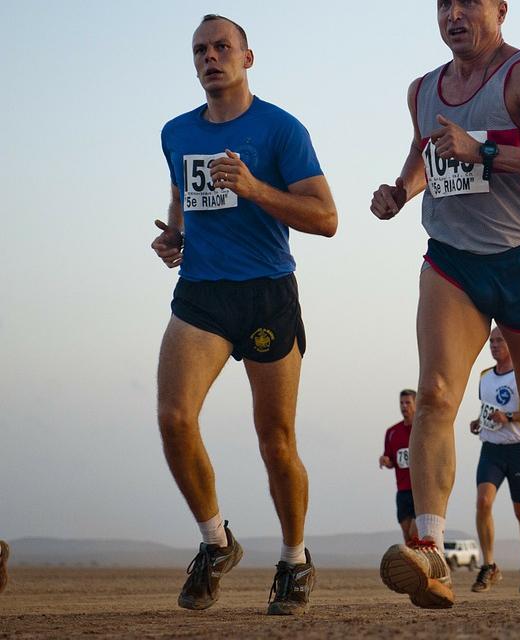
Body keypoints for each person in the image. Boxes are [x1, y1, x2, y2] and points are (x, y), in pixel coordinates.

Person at [370, 0, 520, 609]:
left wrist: (487, 151)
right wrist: (400, 190)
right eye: (443, 3)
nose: (454, 12)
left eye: (469, 1)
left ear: (501, 9)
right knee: (437, 395)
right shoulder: (422, 89)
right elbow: (428, 153)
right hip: (453, 260)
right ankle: (429, 549)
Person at [153, 14, 338, 616]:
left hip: (266, 293)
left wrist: (256, 189)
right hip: (202, 294)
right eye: (201, 50)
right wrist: (175, 235)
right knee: (175, 418)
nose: (212, 58)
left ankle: (294, 559)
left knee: (276, 441)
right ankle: (216, 543)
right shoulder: (175, 131)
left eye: (222, 47)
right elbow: (185, 190)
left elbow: (326, 218)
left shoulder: (281, 129)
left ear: (247, 58)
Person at [467, 328, 520, 594]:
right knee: (483, 502)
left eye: (500, 341)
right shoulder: (485, 376)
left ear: (512, 344)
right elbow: (487, 409)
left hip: (518, 449)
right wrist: (479, 422)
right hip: (491, 450)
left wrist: (508, 418)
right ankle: (489, 565)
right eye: (492, 342)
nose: (494, 346)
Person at [380, 390, 420, 543]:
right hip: (402, 490)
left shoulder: (423, 428)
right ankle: (410, 566)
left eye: (408, 403)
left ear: (416, 404)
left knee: (415, 533)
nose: (404, 406)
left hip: (420, 490)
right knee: (407, 536)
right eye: (401, 403)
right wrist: (385, 460)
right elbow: (391, 460)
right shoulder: (392, 432)